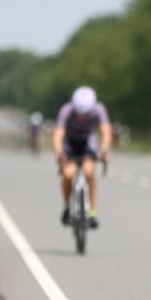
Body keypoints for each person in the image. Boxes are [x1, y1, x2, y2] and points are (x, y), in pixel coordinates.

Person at [53, 87, 111, 228]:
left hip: (87, 141)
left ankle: (92, 212)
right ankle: (67, 207)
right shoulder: (66, 109)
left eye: (85, 114)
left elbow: (106, 131)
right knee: (68, 174)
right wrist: (59, 153)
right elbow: (58, 134)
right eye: (78, 113)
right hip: (70, 142)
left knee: (89, 172)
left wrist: (104, 150)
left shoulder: (99, 109)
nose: (81, 117)